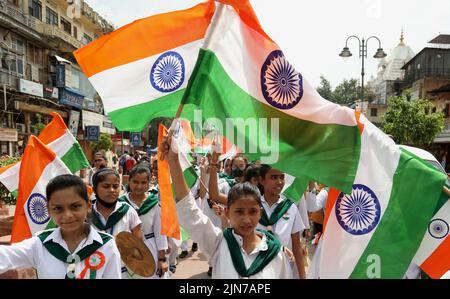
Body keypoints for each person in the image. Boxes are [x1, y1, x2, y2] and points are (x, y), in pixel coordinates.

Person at [161, 137, 293, 278]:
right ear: (227, 212)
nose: (246, 219)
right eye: (239, 212)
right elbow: (190, 211)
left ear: (260, 213)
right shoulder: (218, 243)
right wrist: (174, 161)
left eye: (253, 212)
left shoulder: (276, 253)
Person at [0, 175, 121, 278]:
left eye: (75, 206)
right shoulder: (40, 245)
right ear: (48, 210)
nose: (67, 215)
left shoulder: (106, 245)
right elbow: (4, 257)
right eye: (58, 208)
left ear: (88, 206)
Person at [89, 168, 142, 278]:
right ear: (94, 190)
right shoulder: (88, 215)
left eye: (116, 186)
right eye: (106, 186)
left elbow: (138, 242)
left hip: (124, 270)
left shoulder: (128, 211)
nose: (112, 190)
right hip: (95, 270)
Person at [119, 165, 169, 279]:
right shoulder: (121, 204)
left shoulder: (154, 203)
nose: (139, 186)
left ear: (149, 183)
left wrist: (162, 259)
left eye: (143, 182)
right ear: (129, 181)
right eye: (135, 182)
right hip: (127, 250)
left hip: (150, 249)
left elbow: (160, 233)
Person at [257, 164, 307, 279]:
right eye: (274, 177)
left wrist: (302, 276)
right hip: (257, 265)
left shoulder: (290, 207)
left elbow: (296, 246)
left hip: (282, 269)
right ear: (261, 180)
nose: (279, 182)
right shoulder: (253, 206)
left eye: (282, 177)